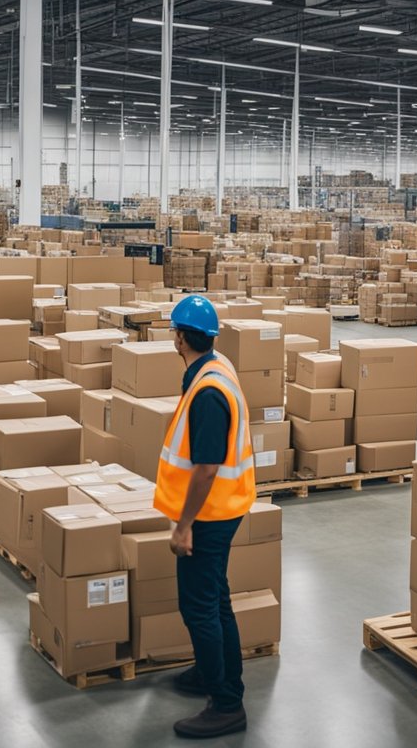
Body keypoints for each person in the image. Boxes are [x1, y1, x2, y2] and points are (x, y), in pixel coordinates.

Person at [154, 294, 256, 739]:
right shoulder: (216, 367)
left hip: (210, 515)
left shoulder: (208, 391)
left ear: (179, 338)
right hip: (224, 506)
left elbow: (207, 467)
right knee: (215, 599)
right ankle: (211, 674)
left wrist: (184, 525)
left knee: (199, 608)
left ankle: (226, 702)